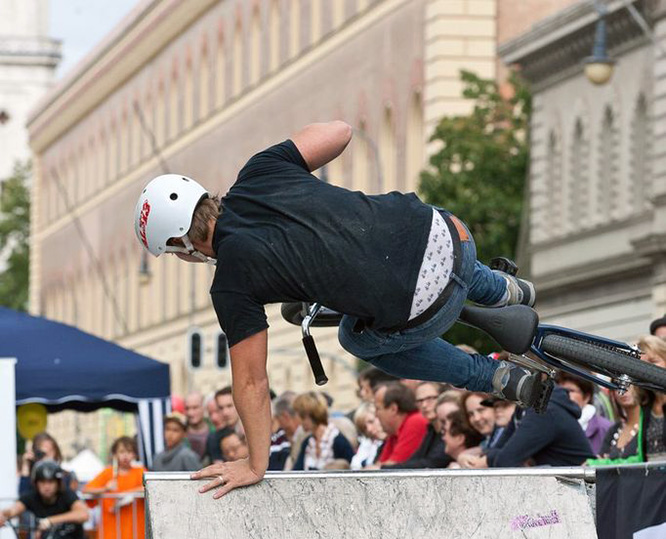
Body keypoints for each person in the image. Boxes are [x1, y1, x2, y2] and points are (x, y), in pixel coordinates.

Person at [135, 122, 546, 499]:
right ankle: (504, 290)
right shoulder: (260, 171)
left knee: (355, 337)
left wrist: (255, 463)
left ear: (182, 244)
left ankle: (494, 377)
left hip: (424, 302)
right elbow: (340, 131)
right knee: (412, 242)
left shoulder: (231, 283)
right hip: (450, 232)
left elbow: (251, 383)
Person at [464, 386, 594, 468]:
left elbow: (505, 460)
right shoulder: (523, 409)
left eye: (504, 405)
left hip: (580, 491)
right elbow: (496, 450)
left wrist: (488, 460)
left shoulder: (544, 411)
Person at [389, 381, 450, 469]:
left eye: (430, 398)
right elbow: (416, 459)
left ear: (443, 397)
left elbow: (432, 462)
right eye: (420, 401)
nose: (424, 405)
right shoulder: (431, 430)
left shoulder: (451, 428)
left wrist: (384, 468)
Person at [292, 392, 354, 471]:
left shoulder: (338, 441)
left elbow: (351, 469)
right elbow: (297, 471)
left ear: (310, 415)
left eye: (301, 416)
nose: (299, 421)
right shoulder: (307, 442)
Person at [556, 373, 612, 457]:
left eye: (570, 391)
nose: (563, 395)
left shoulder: (605, 428)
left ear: (586, 397)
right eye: (559, 390)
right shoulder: (552, 424)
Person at [374, 383, 428, 466]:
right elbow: (381, 464)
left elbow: (393, 467)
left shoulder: (415, 421)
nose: (376, 414)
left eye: (378, 408)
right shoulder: (394, 433)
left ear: (393, 409)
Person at [350, 402, 386, 470]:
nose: (369, 429)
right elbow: (355, 465)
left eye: (371, 421)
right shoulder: (367, 442)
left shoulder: (390, 440)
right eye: (364, 427)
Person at [184, 391, 210, 460]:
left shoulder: (214, 430)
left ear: (204, 408)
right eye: (187, 408)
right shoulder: (180, 432)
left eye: (195, 408)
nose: (190, 413)